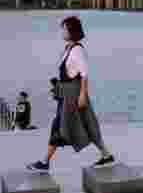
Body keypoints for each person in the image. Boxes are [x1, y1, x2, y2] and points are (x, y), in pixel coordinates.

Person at [27, 16, 115, 172]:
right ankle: (106, 155)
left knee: (59, 125)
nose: (62, 31)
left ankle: (44, 162)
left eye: (64, 29)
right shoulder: (69, 48)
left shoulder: (77, 50)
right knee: (87, 124)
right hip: (68, 93)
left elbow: (84, 73)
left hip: (73, 95)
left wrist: (82, 95)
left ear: (71, 31)